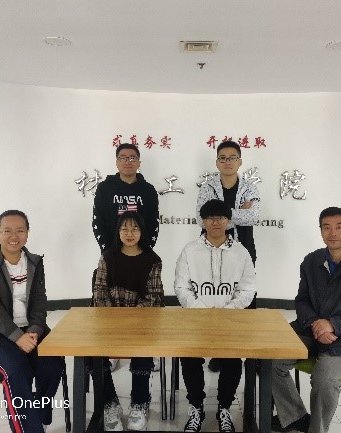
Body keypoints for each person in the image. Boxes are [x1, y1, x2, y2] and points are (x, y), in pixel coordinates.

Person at [271, 207, 341, 433]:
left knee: (324, 378)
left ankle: (317, 429)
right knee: (269, 359)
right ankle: (295, 418)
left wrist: (333, 324)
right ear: (321, 231)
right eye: (326, 227)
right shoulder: (311, 261)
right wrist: (316, 323)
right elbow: (302, 300)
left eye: (339, 227)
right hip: (309, 330)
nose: (333, 233)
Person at [0, 210, 65, 433]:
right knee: (16, 370)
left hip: (30, 331)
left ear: (27, 233)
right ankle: (29, 428)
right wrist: (17, 337)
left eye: (20, 230)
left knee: (53, 365)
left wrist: (34, 330)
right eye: (7, 231)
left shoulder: (34, 262)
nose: (14, 236)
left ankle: (36, 416)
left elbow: (40, 303)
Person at [174, 199, 257, 433]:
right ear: (203, 222)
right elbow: (181, 287)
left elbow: (248, 289)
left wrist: (227, 312)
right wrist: (201, 311)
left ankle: (224, 407)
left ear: (228, 221)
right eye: (210, 218)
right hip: (196, 319)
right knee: (189, 358)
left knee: (232, 360)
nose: (215, 222)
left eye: (220, 217)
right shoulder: (190, 250)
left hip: (230, 320)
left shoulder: (241, 252)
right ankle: (196, 406)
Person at [92, 211, 164, 431]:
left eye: (135, 228)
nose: (129, 233)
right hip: (109, 322)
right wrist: (115, 323)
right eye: (124, 228)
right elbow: (100, 294)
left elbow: (152, 298)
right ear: (118, 231)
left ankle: (140, 402)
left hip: (141, 323)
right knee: (93, 355)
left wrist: (129, 323)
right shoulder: (107, 257)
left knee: (142, 350)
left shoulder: (152, 260)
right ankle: (110, 402)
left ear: (142, 232)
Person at [196, 140, 261, 372]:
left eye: (232, 157)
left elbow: (254, 216)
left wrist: (220, 215)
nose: (227, 162)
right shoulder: (208, 187)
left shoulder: (250, 187)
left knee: (246, 296)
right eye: (222, 158)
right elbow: (201, 218)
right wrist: (238, 213)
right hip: (213, 249)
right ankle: (220, 353)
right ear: (217, 162)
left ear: (240, 161)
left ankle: (251, 354)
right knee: (218, 297)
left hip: (244, 248)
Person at [93, 143, 159, 252]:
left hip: (140, 253)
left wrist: (144, 250)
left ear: (139, 163)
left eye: (132, 158)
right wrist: (108, 251)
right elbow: (98, 222)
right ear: (116, 162)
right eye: (123, 158)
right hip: (111, 253)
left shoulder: (149, 190)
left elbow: (153, 223)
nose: (128, 161)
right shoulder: (104, 188)